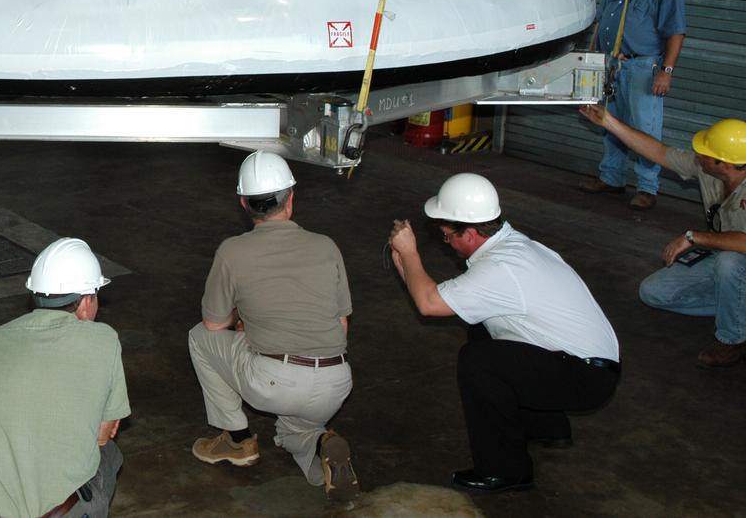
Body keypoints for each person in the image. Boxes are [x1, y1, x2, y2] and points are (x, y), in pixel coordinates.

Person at [388, 173, 620, 493]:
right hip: (584, 364)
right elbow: (433, 297)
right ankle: (545, 426)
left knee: (479, 361)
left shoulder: (500, 268)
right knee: (482, 329)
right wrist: (403, 260)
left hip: (585, 377)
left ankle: (505, 470)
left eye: (446, 236)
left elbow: (429, 304)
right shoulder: (513, 246)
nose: (447, 243)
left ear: (469, 233)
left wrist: (410, 253)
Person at [187, 151, 358, 502]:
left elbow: (214, 322)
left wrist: (244, 325)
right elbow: (342, 324)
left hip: (275, 379)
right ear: (291, 198)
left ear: (243, 203)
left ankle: (235, 439)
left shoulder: (232, 251)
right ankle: (323, 442)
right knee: (293, 428)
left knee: (199, 337)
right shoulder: (326, 246)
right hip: (336, 381)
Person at [0, 237, 130, 518]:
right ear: (86, 300)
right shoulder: (103, 340)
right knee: (109, 455)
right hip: (51, 512)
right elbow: (104, 435)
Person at [580, 104, 746, 367]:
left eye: (704, 153)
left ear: (723, 164)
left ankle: (732, 339)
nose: (697, 155)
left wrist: (693, 237)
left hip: (736, 257)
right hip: (725, 252)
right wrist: (609, 122)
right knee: (654, 293)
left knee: (730, 262)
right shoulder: (707, 169)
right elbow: (659, 152)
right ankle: (737, 307)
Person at [581, 0, 686, 210]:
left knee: (644, 129)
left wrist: (666, 71)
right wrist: (593, 59)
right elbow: (603, 22)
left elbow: (676, 31)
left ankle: (647, 187)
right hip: (613, 64)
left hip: (643, 67)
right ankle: (612, 177)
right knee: (609, 123)